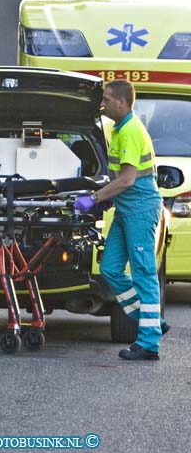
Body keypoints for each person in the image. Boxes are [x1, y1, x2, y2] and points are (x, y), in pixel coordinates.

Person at [74, 79, 166, 361]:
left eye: (107, 99)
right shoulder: (121, 128)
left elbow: (126, 179)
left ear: (123, 102)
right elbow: (125, 177)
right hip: (127, 209)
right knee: (111, 267)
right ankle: (150, 321)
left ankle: (148, 344)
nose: (103, 103)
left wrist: (96, 198)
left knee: (144, 274)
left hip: (139, 210)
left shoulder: (129, 131)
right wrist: (107, 196)